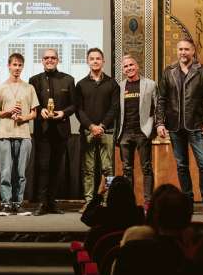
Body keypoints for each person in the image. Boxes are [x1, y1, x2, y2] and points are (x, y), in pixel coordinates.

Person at [156, 38, 203, 217]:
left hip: (197, 125)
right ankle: (187, 203)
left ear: (193, 51)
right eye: (180, 49)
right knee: (182, 166)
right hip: (175, 127)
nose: (183, 52)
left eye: (186, 49)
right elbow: (161, 99)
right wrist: (160, 123)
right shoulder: (169, 72)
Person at [29, 48, 76, 215]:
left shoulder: (68, 80)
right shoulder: (34, 80)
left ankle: (52, 202)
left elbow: (74, 105)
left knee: (57, 168)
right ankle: (42, 203)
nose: (50, 60)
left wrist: (64, 113)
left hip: (61, 129)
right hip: (42, 130)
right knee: (43, 167)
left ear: (58, 60)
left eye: (53, 58)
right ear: (42, 60)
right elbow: (31, 104)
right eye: (46, 58)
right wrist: (40, 109)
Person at [0, 53, 39, 216]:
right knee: (6, 172)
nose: (17, 68)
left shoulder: (29, 88)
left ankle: (18, 204)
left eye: (20, 65)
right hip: (4, 134)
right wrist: (8, 112)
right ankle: (6, 204)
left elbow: (34, 113)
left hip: (24, 135)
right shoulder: (0, 88)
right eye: (14, 65)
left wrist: (22, 117)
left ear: (22, 67)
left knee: (21, 173)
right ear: (9, 66)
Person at [75, 47, 120, 211]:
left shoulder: (112, 83)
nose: (95, 61)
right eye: (92, 58)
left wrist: (101, 126)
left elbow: (114, 108)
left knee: (108, 169)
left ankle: (106, 200)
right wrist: (91, 126)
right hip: (87, 132)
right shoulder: (80, 85)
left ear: (103, 61)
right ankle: (88, 201)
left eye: (98, 58)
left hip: (106, 132)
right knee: (88, 169)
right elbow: (78, 110)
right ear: (88, 62)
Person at [116, 54, 157, 207]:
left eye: (131, 65)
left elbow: (157, 107)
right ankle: (128, 202)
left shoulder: (151, 84)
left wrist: (154, 128)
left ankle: (148, 202)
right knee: (127, 169)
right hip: (125, 133)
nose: (129, 68)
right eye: (126, 66)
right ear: (123, 70)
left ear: (137, 66)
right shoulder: (119, 87)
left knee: (146, 168)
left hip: (142, 132)